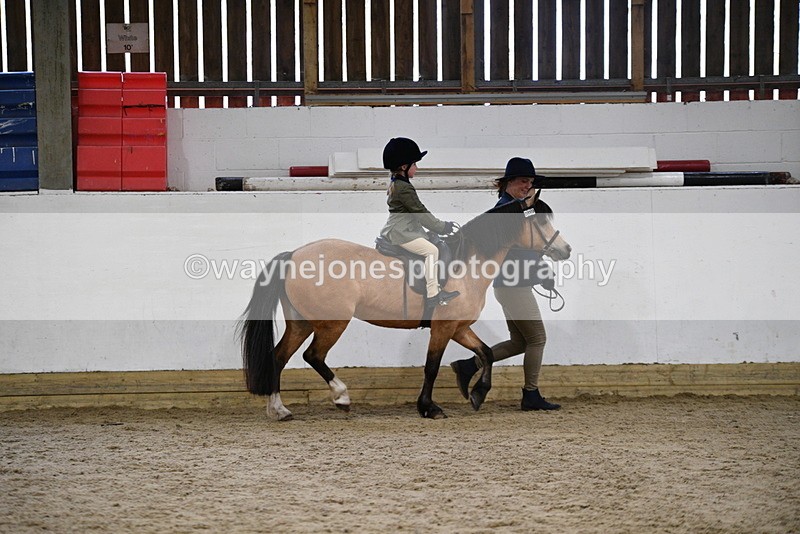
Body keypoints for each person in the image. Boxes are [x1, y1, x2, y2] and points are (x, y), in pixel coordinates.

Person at [450, 157, 561, 411]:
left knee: (520, 342)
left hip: (508, 286)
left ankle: (469, 366)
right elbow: (515, 253)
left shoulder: (514, 209)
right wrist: (541, 273)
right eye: (524, 181)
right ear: (509, 182)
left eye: (531, 182)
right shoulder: (507, 212)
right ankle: (531, 394)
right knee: (538, 339)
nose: (528, 185)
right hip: (515, 286)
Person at [379, 137, 460, 307]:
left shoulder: (398, 184)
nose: (417, 168)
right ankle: (433, 294)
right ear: (404, 166)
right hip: (401, 231)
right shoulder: (404, 188)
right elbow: (420, 212)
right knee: (431, 251)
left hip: (403, 228)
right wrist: (442, 226)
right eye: (414, 164)